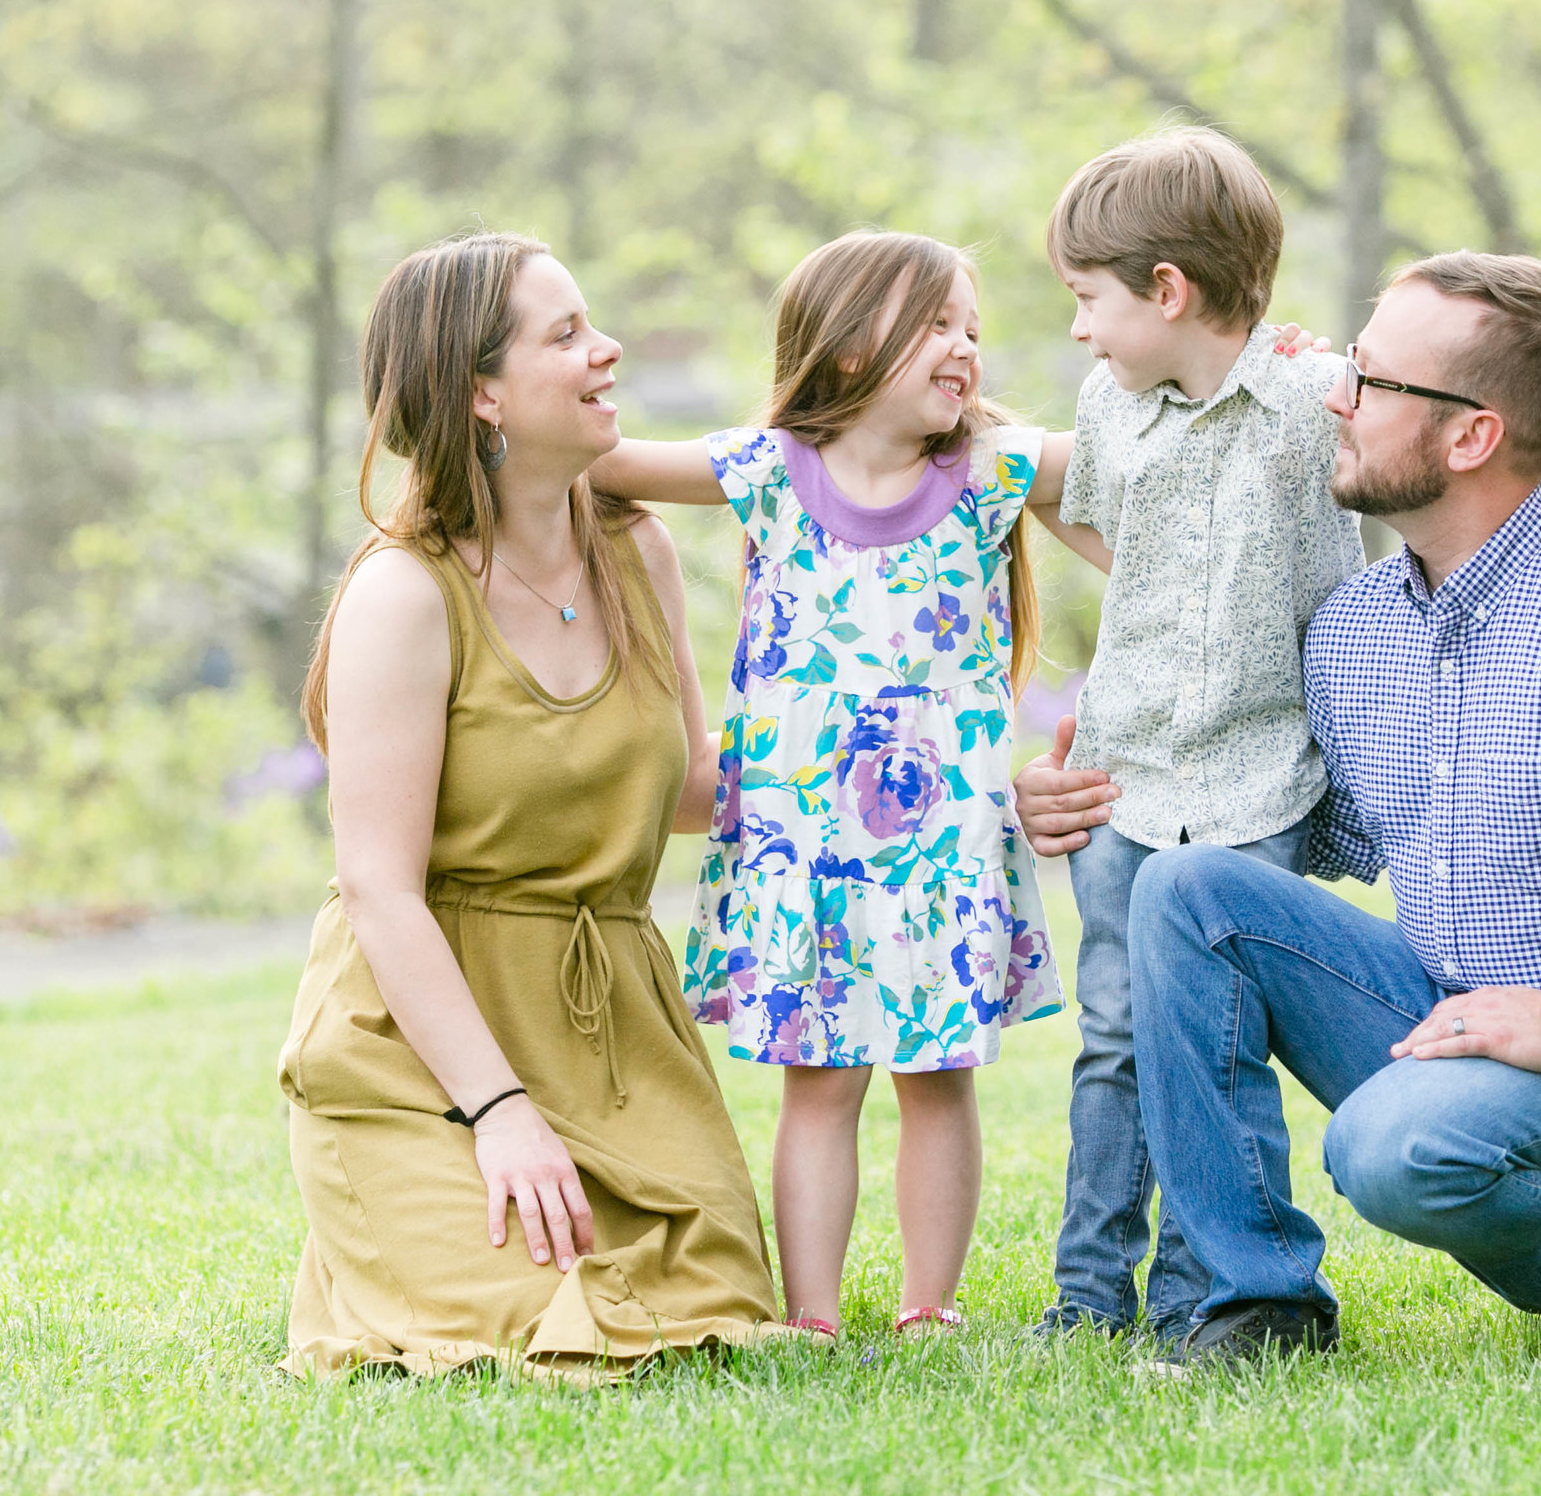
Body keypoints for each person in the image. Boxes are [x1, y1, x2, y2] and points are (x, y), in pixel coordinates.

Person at [1016, 250, 1541, 1366]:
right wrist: (1092, 795)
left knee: (1392, 1146)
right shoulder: (1355, 637)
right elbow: (1283, 831)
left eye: (1370, 379)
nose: (1336, 396)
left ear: (1470, 438)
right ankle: (1256, 1304)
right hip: (1450, 1013)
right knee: (1188, 886)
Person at [1030, 129, 1541, 1347]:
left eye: (1086, 298)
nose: (1077, 330)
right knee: (1113, 1037)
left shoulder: (1319, 398)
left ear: (1168, 290)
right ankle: (1089, 1294)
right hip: (1124, 780)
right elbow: (1046, 498)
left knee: (1211, 1034)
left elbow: (1525, 439)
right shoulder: (1110, 411)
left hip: (1256, 780)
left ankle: (1214, 1292)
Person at [278, 231, 782, 1381]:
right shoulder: (405, 593)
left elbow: (697, 789)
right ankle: (383, 1210)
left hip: (613, 1035)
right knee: (531, 1314)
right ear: (481, 392)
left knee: (702, 1301)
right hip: (424, 1044)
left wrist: (958, 776)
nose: (607, 351)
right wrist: (498, 1111)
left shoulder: (636, 553)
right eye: (567, 335)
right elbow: (379, 889)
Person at [589, 230, 1068, 1341]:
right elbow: (601, 462)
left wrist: (1269, 369)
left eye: (973, 331)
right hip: (805, 851)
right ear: (850, 350)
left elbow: (1151, 460)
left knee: (938, 1078)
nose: (965, 351)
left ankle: (927, 1306)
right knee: (820, 1080)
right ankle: (808, 1315)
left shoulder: (991, 472)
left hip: (942, 846)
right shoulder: (766, 473)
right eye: (939, 326)